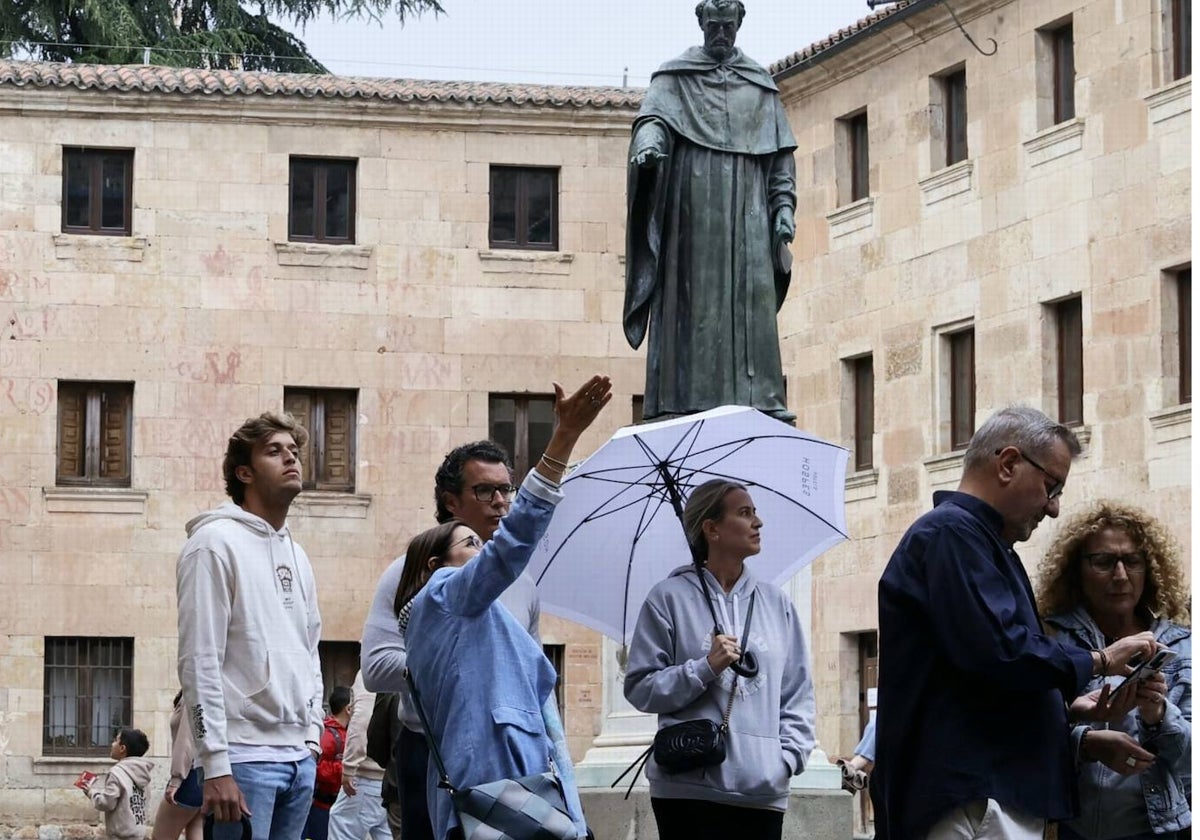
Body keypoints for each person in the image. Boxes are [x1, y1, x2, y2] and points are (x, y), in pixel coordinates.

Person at [872, 406, 1159, 840]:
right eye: (1051, 486)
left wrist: (1062, 709)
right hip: (972, 796)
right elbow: (1002, 651)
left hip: (986, 794)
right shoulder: (953, 535)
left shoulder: (977, 542)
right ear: (1008, 464)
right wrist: (1100, 659)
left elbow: (980, 676)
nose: (1055, 507)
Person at [400, 374, 610, 840]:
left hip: (534, 794)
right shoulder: (443, 596)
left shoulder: (499, 611)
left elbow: (548, 721)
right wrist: (563, 438)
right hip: (485, 798)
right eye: (471, 544)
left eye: (505, 491)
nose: (485, 548)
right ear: (436, 565)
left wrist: (574, 815)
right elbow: (509, 549)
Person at [623, 0, 797, 423]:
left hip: (749, 215)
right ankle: (683, 401)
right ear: (701, 23)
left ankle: (760, 402)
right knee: (693, 305)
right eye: (714, 26)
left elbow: (780, 161)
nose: (721, 34)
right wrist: (649, 145)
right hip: (692, 213)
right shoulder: (675, 76)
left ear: (740, 24)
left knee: (751, 305)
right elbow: (654, 120)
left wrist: (784, 209)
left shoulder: (759, 84)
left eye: (728, 26)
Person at [360, 439, 542, 840]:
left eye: (505, 489)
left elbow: (533, 674)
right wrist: (447, 663)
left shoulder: (524, 583)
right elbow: (375, 667)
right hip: (431, 749)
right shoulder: (406, 570)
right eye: (484, 490)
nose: (500, 501)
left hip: (509, 753)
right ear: (451, 501)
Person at [623, 478, 816, 840]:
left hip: (761, 791)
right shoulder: (667, 599)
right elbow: (640, 688)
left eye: (755, 513)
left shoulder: (776, 604)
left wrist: (787, 760)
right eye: (744, 513)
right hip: (686, 791)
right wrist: (705, 667)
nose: (757, 523)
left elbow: (798, 693)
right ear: (711, 528)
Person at [176, 411, 324, 840]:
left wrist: (312, 737)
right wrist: (216, 764)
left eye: (294, 451)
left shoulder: (298, 554)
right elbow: (198, 660)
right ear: (244, 472)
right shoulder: (212, 545)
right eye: (274, 451)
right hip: (241, 761)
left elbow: (311, 649)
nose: (290, 459)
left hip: (298, 758)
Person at [1036, 501, 1192, 840]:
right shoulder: (1050, 637)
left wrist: (1159, 714)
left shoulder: (1182, 646)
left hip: (1155, 830)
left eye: (1132, 561)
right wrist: (1084, 742)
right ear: (1076, 569)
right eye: (1104, 562)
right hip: (1066, 827)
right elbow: (1025, 735)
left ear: (1149, 568)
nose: (1120, 575)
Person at [327, 672, 390, 840]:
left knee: (342, 826)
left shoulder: (371, 672)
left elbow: (362, 720)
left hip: (367, 774)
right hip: (394, 777)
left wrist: (349, 768)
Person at [80, 728, 154, 840]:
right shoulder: (143, 773)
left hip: (121, 835)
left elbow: (107, 803)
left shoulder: (117, 772)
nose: (112, 743)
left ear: (122, 748)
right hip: (138, 833)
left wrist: (91, 792)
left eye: (115, 740)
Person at [151, 692, 204, 840]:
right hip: (205, 776)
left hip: (189, 776)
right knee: (196, 831)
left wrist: (176, 779)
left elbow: (186, 739)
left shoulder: (193, 694)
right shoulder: (210, 693)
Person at [303, 686, 352, 840]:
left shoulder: (349, 733)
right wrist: (344, 769)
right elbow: (316, 766)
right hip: (322, 806)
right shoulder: (329, 735)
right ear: (349, 709)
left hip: (340, 803)